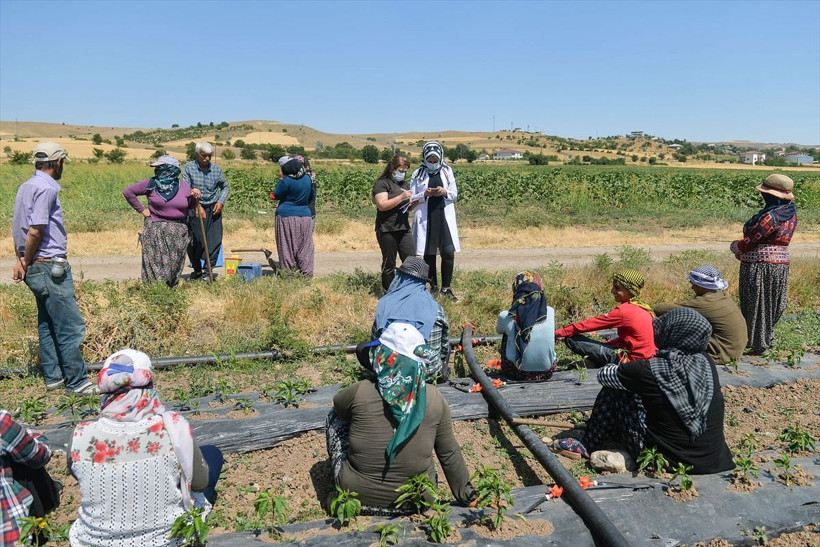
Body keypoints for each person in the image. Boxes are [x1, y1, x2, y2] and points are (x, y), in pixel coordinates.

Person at [551, 308, 734, 475]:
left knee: (616, 389)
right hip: (714, 460)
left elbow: (604, 375)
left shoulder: (648, 370)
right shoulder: (705, 362)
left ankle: (589, 443)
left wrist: (627, 366)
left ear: (670, 334)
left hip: (668, 460)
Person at [69, 349, 222, 546]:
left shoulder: (80, 435)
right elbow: (200, 483)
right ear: (149, 386)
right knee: (212, 454)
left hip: (94, 542)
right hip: (165, 539)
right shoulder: (172, 426)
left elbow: (79, 475)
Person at [326, 322, 477, 512]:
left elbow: (338, 407)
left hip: (356, 495)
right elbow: (448, 453)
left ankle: (344, 497)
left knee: (335, 417)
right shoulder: (434, 398)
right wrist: (469, 497)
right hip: (416, 499)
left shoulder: (360, 391)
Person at [12, 142, 97, 395]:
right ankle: (77, 382)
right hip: (48, 265)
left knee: (47, 323)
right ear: (57, 162)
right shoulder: (47, 188)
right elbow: (36, 228)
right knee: (70, 326)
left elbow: (19, 227)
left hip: (34, 265)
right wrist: (26, 260)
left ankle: (54, 377)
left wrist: (21, 259)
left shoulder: (26, 186)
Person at [730, 174, 798, 356]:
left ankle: (757, 344)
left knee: (756, 304)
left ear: (770, 196)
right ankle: (767, 338)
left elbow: (751, 240)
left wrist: (736, 247)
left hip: (759, 265)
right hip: (781, 264)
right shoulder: (791, 213)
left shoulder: (769, 217)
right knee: (771, 303)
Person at [122, 156, 202, 287]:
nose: (158, 171)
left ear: (171, 169)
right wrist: (142, 210)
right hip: (155, 229)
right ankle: (155, 290)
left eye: (161, 168)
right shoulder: (151, 184)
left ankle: (169, 290)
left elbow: (191, 205)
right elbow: (128, 192)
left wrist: (195, 195)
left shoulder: (183, 186)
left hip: (178, 231)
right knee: (155, 262)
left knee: (174, 264)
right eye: (157, 168)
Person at [555, 269, 657, 367]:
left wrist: (558, 333)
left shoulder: (623, 312)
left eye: (617, 288)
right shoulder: (643, 307)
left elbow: (588, 325)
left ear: (629, 291)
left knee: (571, 339)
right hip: (647, 359)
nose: (612, 291)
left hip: (630, 361)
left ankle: (595, 362)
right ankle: (594, 361)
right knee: (613, 337)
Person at [371, 257, 450, 380]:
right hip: (426, 374)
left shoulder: (384, 305)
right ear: (423, 282)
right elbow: (444, 348)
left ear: (400, 277)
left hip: (389, 373)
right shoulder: (436, 309)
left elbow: (375, 343)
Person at [654, 265, 747, 365]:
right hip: (733, 351)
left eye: (694, 284)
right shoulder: (722, 295)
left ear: (702, 286)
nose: (692, 287)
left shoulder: (703, 303)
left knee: (680, 322)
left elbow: (659, 309)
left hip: (720, 355)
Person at [410, 141, 461, 302]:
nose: (432, 164)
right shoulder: (417, 174)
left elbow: (454, 194)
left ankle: (446, 288)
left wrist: (444, 192)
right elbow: (411, 196)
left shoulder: (447, 171)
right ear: (424, 158)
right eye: (430, 160)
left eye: (435, 160)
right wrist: (424, 194)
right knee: (429, 254)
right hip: (427, 216)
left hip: (443, 215)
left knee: (447, 252)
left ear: (440, 158)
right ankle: (433, 287)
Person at [1, 410, 53, 547]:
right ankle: (39, 520)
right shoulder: (1, 423)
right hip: (9, 537)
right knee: (21, 460)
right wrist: (36, 437)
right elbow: (38, 455)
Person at [496, 271, 557, 381]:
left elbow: (499, 330)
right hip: (546, 372)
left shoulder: (506, 316)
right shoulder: (550, 312)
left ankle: (518, 362)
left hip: (516, 373)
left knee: (510, 331)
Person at [183, 142, 229, 279]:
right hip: (195, 208)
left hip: (213, 208)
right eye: (204, 156)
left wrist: (221, 201)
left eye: (209, 156)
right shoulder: (188, 168)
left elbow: (225, 187)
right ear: (197, 155)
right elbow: (185, 188)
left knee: (214, 240)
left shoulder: (216, 169)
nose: (207, 159)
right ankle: (197, 269)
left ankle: (209, 271)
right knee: (196, 241)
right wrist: (196, 205)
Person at [372, 155, 414, 291]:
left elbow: (407, 206)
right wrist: (401, 196)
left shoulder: (404, 184)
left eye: (405, 171)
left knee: (411, 260)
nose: (403, 173)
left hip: (403, 227)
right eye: (400, 170)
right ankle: (388, 291)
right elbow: (382, 205)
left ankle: (409, 289)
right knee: (389, 262)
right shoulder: (382, 183)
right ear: (392, 168)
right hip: (387, 229)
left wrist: (415, 202)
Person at [272, 156, 315, 276]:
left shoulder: (286, 181)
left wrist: (281, 179)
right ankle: (306, 273)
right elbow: (311, 196)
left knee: (286, 245)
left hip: (286, 216)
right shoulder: (307, 179)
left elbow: (276, 194)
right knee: (305, 245)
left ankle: (288, 273)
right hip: (305, 216)